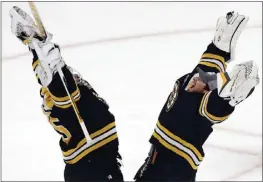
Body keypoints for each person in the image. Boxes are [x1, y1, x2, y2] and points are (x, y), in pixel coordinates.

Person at [134, 11, 260, 181]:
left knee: (187, 96)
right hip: (170, 168)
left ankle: (223, 87)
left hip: (164, 166)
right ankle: (225, 95)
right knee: (190, 105)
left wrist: (216, 56)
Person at [9, 6, 123, 182]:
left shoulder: (65, 107)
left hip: (90, 162)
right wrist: (39, 48)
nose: (76, 78)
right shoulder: (72, 110)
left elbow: (60, 85)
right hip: (92, 162)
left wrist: (37, 48)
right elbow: (61, 87)